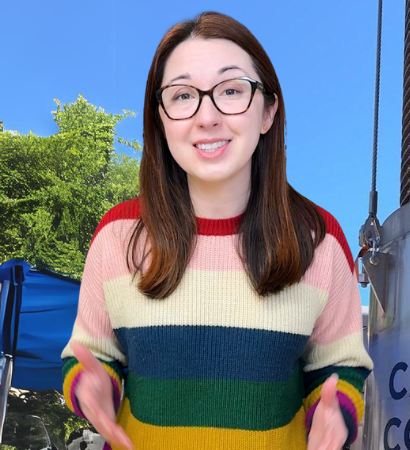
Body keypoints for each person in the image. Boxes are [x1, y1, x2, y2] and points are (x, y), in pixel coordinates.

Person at [60, 11, 372, 450]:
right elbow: (91, 356)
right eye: (183, 95)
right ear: (161, 118)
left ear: (268, 111)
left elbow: (340, 368)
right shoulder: (118, 234)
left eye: (230, 90)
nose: (207, 117)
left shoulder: (318, 239)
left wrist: (335, 408)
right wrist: (93, 385)